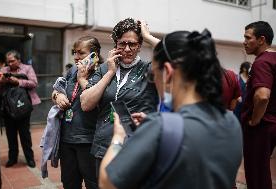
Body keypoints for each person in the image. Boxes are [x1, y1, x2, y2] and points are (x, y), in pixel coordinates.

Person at [99, 28, 243, 189]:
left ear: (167, 73)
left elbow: (107, 182)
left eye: (153, 75)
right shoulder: (231, 121)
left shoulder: (161, 127)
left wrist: (118, 137)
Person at [80, 18, 159, 172]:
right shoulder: (104, 69)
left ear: (140, 46)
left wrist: (148, 36)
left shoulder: (148, 70)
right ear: (116, 45)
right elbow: (86, 104)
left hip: (136, 147)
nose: (127, 49)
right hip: (104, 147)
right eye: (122, 43)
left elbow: (172, 56)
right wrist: (110, 73)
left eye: (133, 44)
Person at [51, 36, 103, 189]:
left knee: (93, 183)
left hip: (89, 140)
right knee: (69, 182)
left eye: (81, 53)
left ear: (95, 55)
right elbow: (56, 90)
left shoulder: (104, 72)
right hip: (67, 138)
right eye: (74, 52)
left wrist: (82, 79)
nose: (76, 57)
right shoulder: (72, 70)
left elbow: (99, 102)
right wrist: (57, 96)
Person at [241, 21, 276, 189]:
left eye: (248, 37)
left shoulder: (262, 62)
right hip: (271, 123)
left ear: (261, 39)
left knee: (257, 177)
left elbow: (262, 96)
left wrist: (254, 121)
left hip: (261, 127)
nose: (244, 41)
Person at [0, 50, 41, 168]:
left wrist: (18, 81)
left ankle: (29, 158)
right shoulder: (4, 70)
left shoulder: (27, 68)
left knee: (25, 134)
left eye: (12, 61)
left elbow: (34, 83)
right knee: (11, 134)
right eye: (8, 61)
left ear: (19, 60)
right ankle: (12, 158)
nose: (10, 63)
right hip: (8, 107)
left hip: (23, 106)